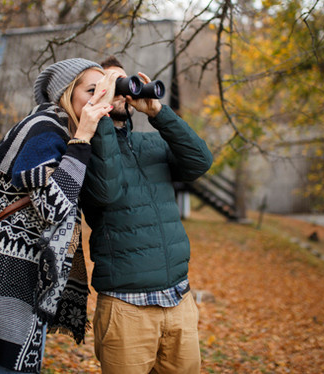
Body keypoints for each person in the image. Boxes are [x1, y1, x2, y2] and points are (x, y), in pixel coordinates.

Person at [0, 58, 117, 373]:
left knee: (19, 365)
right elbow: (52, 208)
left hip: (28, 274)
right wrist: (81, 138)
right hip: (10, 274)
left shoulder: (62, 131)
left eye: (103, 93)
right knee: (8, 367)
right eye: (91, 91)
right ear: (66, 93)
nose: (98, 99)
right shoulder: (43, 130)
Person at [80, 56, 214, 373]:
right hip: (126, 310)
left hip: (179, 301)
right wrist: (100, 113)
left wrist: (158, 113)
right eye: (110, 84)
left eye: (123, 82)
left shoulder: (152, 142)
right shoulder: (80, 153)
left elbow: (200, 162)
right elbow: (107, 192)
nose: (121, 91)